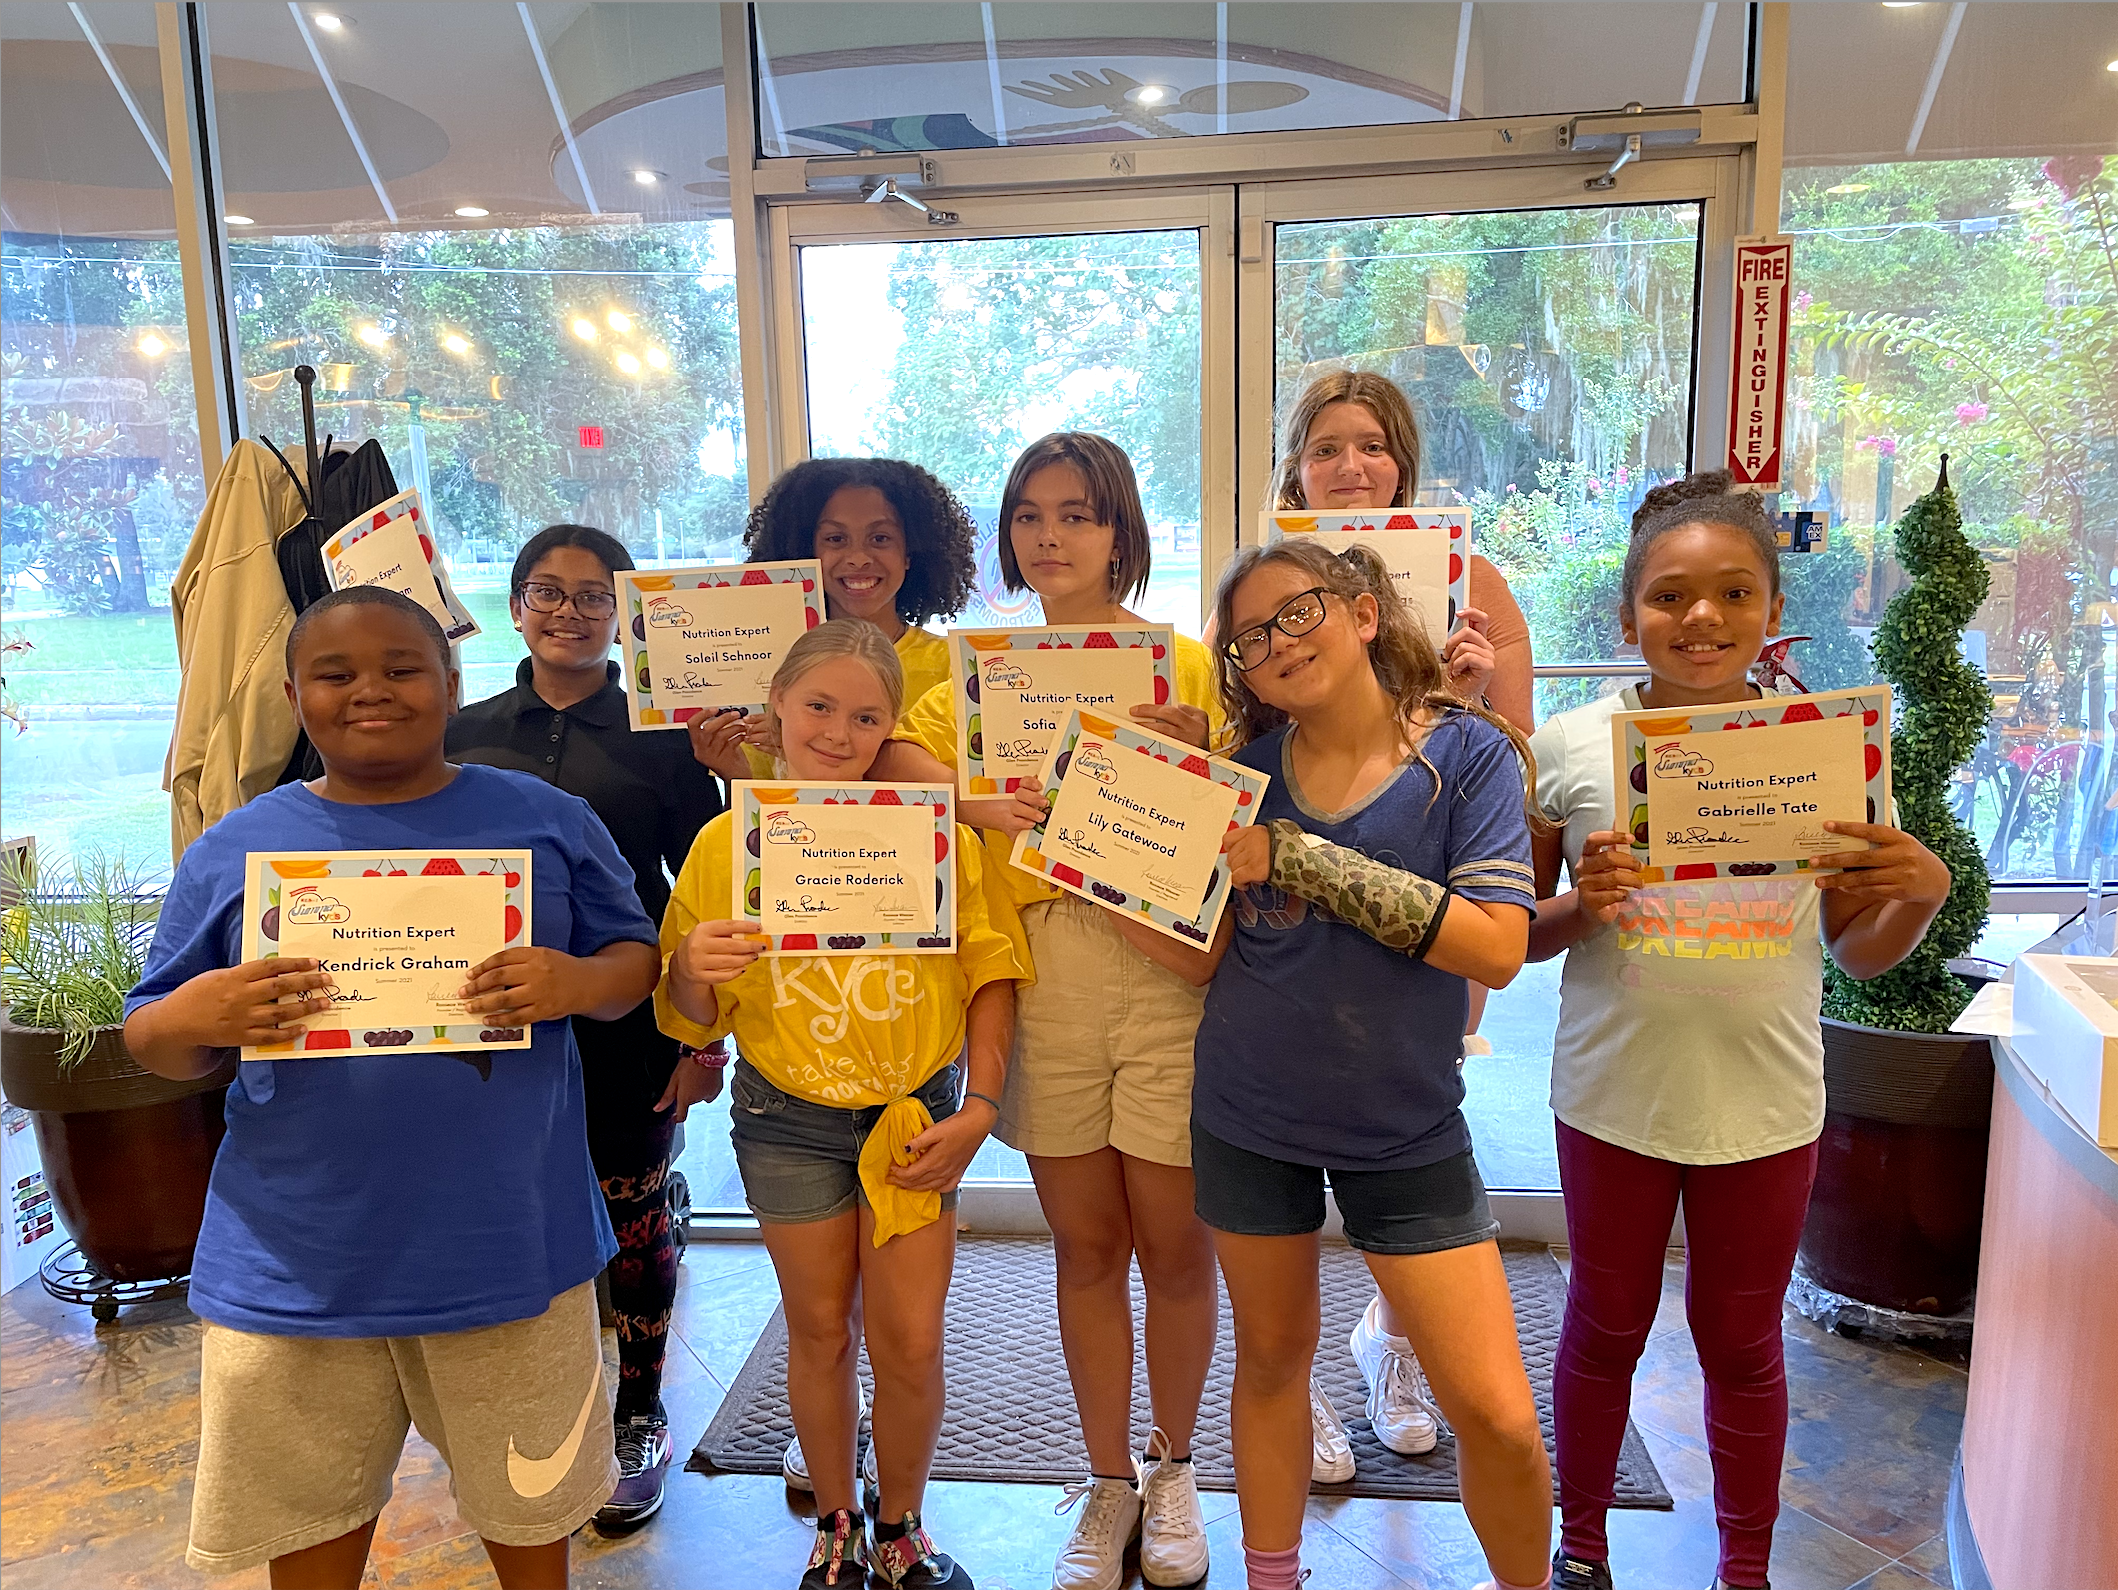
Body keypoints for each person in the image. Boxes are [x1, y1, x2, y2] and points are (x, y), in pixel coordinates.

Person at [122, 586, 663, 1589]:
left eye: (401, 668)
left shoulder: (547, 822)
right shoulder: (238, 847)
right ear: (294, 695)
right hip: (298, 1258)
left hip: (508, 1244)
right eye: (334, 674)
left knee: (531, 1521)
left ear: (452, 684)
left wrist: (579, 980)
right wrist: (204, 1018)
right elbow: (150, 1032)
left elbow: (635, 960)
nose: (369, 689)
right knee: (307, 1526)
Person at [1528, 472, 1951, 1590]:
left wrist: (1922, 888)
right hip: (1614, 1095)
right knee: (1604, 1324)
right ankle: (1580, 1546)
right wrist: (1584, 901)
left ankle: (1745, 1569)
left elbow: (1859, 954)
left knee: (1744, 1343)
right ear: (1628, 618)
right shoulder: (1572, 747)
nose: (1700, 618)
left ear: (1772, 610)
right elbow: (1515, 935)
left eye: (1732, 593)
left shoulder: (1832, 754)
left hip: (1766, 1106)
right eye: (1669, 597)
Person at [873, 432, 1224, 1590]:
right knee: (1086, 1245)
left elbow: (1232, 806)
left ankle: (1175, 1474)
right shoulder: (978, 669)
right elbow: (891, 755)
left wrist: (1193, 752)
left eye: (1077, 514)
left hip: (1163, 961)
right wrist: (984, 804)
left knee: (1175, 1246)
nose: (1051, 536)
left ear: (1122, 528)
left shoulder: (1182, 662)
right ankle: (1107, 1479)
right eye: (1030, 515)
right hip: (1045, 968)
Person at [1183, 536, 1555, 1590]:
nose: (1276, 644)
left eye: (1296, 612)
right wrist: (1094, 849)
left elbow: (1496, 947)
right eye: (1251, 639)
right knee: (1268, 1366)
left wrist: (1301, 859)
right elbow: (1199, 955)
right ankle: (1272, 1577)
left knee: (1498, 1417)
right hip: (1248, 1115)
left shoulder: (1468, 755)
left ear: (1360, 611)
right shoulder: (1242, 781)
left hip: (1407, 1125)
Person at [656, 619, 1030, 1590]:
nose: (838, 731)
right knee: (820, 1331)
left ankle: (901, 1523)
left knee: (909, 1340)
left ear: (891, 729)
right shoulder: (725, 844)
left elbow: (992, 971)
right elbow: (693, 1004)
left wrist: (982, 1103)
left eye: (866, 716)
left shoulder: (933, 834)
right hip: (787, 1118)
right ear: (774, 709)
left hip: (916, 1115)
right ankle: (836, 1523)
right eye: (818, 705)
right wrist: (694, 971)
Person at [1276, 368, 1535, 1480]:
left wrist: (1476, 691)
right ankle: (1288, 1384)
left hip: (1433, 909)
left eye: (1371, 444)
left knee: (1407, 1117)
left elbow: (1514, 763)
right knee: (1280, 1143)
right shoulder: (1270, 586)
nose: (1350, 465)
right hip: (1292, 908)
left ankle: (1387, 1341)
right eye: (1327, 446)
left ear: (1405, 461)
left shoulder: (1471, 580)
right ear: (1297, 468)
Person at [447, 523, 727, 1532]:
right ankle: (530, 1415)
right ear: (516, 602)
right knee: (509, 1220)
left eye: (592, 596)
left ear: (625, 615)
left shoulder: (668, 738)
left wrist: (704, 1040)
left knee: (633, 1215)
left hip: (625, 1018)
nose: (568, 611)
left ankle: (639, 1414)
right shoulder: (459, 728)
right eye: (546, 591)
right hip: (479, 1031)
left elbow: (706, 891)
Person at [691, 456, 979, 781]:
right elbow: (751, 824)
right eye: (836, 539)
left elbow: (969, 813)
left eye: (880, 538)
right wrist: (732, 771)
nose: (858, 558)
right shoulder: (759, 661)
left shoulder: (957, 670)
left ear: (911, 553)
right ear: (805, 549)